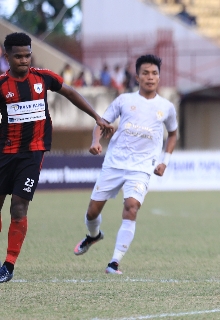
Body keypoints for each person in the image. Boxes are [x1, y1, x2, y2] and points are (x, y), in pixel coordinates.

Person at [0, 32, 113, 283]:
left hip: (33, 153)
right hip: (4, 153)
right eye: (17, 56)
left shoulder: (43, 78)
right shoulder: (1, 85)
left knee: (19, 207)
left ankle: (8, 265)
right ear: (6, 57)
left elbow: (71, 93)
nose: (24, 60)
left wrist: (97, 117)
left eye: (27, 55)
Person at [72, 55, 178, 275]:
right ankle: (94, 236)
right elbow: (102, 122)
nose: (150, 77)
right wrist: (95, 142)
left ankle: (114, 262)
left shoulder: (166, 107)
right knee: (92, 213)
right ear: (137, 76)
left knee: (131, 207)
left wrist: (164, 162)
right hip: (114, 163)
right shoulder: (123, 100)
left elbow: (173, 133)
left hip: (141, 167)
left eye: (154, 73)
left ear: (159, 77)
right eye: (146, 73)